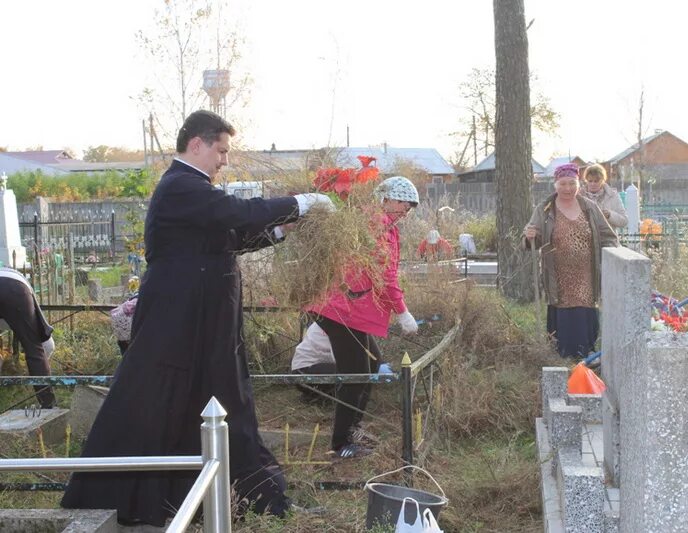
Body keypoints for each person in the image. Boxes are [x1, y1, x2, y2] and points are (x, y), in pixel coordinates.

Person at [61, 110, 334, 526]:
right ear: (197, 144)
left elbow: (231, 237)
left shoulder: (194, 192)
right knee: (157, 403)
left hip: (205, 323)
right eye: (221, 151)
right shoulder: (180, 187)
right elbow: (238, 213)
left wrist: (283, 229)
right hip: (177, 321)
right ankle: (124, 499)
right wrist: (299, 203)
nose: (224, 160)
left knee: (222, 405)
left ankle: (251, 498)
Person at [308, 176, 420, 459]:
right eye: (402, 203)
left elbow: (385, 277)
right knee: (356, 374)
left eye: (410, 206)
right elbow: (386, 276)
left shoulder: (390, 230)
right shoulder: (373, 226)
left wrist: (398, 309)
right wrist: (403, 312)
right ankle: (340, 443)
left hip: (353, 312)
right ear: (385, 199)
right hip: (340, 311)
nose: (406, 210)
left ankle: (352, 430)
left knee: (369, 366)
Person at [525, 163, 619, 358]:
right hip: (557, 273)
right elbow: (532, 236)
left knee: (584, 311)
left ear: (578, 184)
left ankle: (585, 355)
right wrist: (530, 236)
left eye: (572, 183)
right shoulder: (545, 208)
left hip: (586, 273)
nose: (567, 188)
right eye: (563, 184)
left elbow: (608, 236)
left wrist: (610, 256)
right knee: (562, 311)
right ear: (555, 184)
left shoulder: (590, 208)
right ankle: (563, 356)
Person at [0, 267, 56, 408]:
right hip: (16, 288)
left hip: (16, 285)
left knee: (36, 349)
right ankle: (47, 404)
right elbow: (46, 347)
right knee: (34, 349)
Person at [579, 163, 628, 230]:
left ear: (602, 180)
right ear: (586, 181)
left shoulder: (612, 195)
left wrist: (610, 215)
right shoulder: (580, 196)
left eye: (596, 181)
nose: (593, 184)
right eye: (590, 181)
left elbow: (624, 221)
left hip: (608, 238)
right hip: (587, 238)